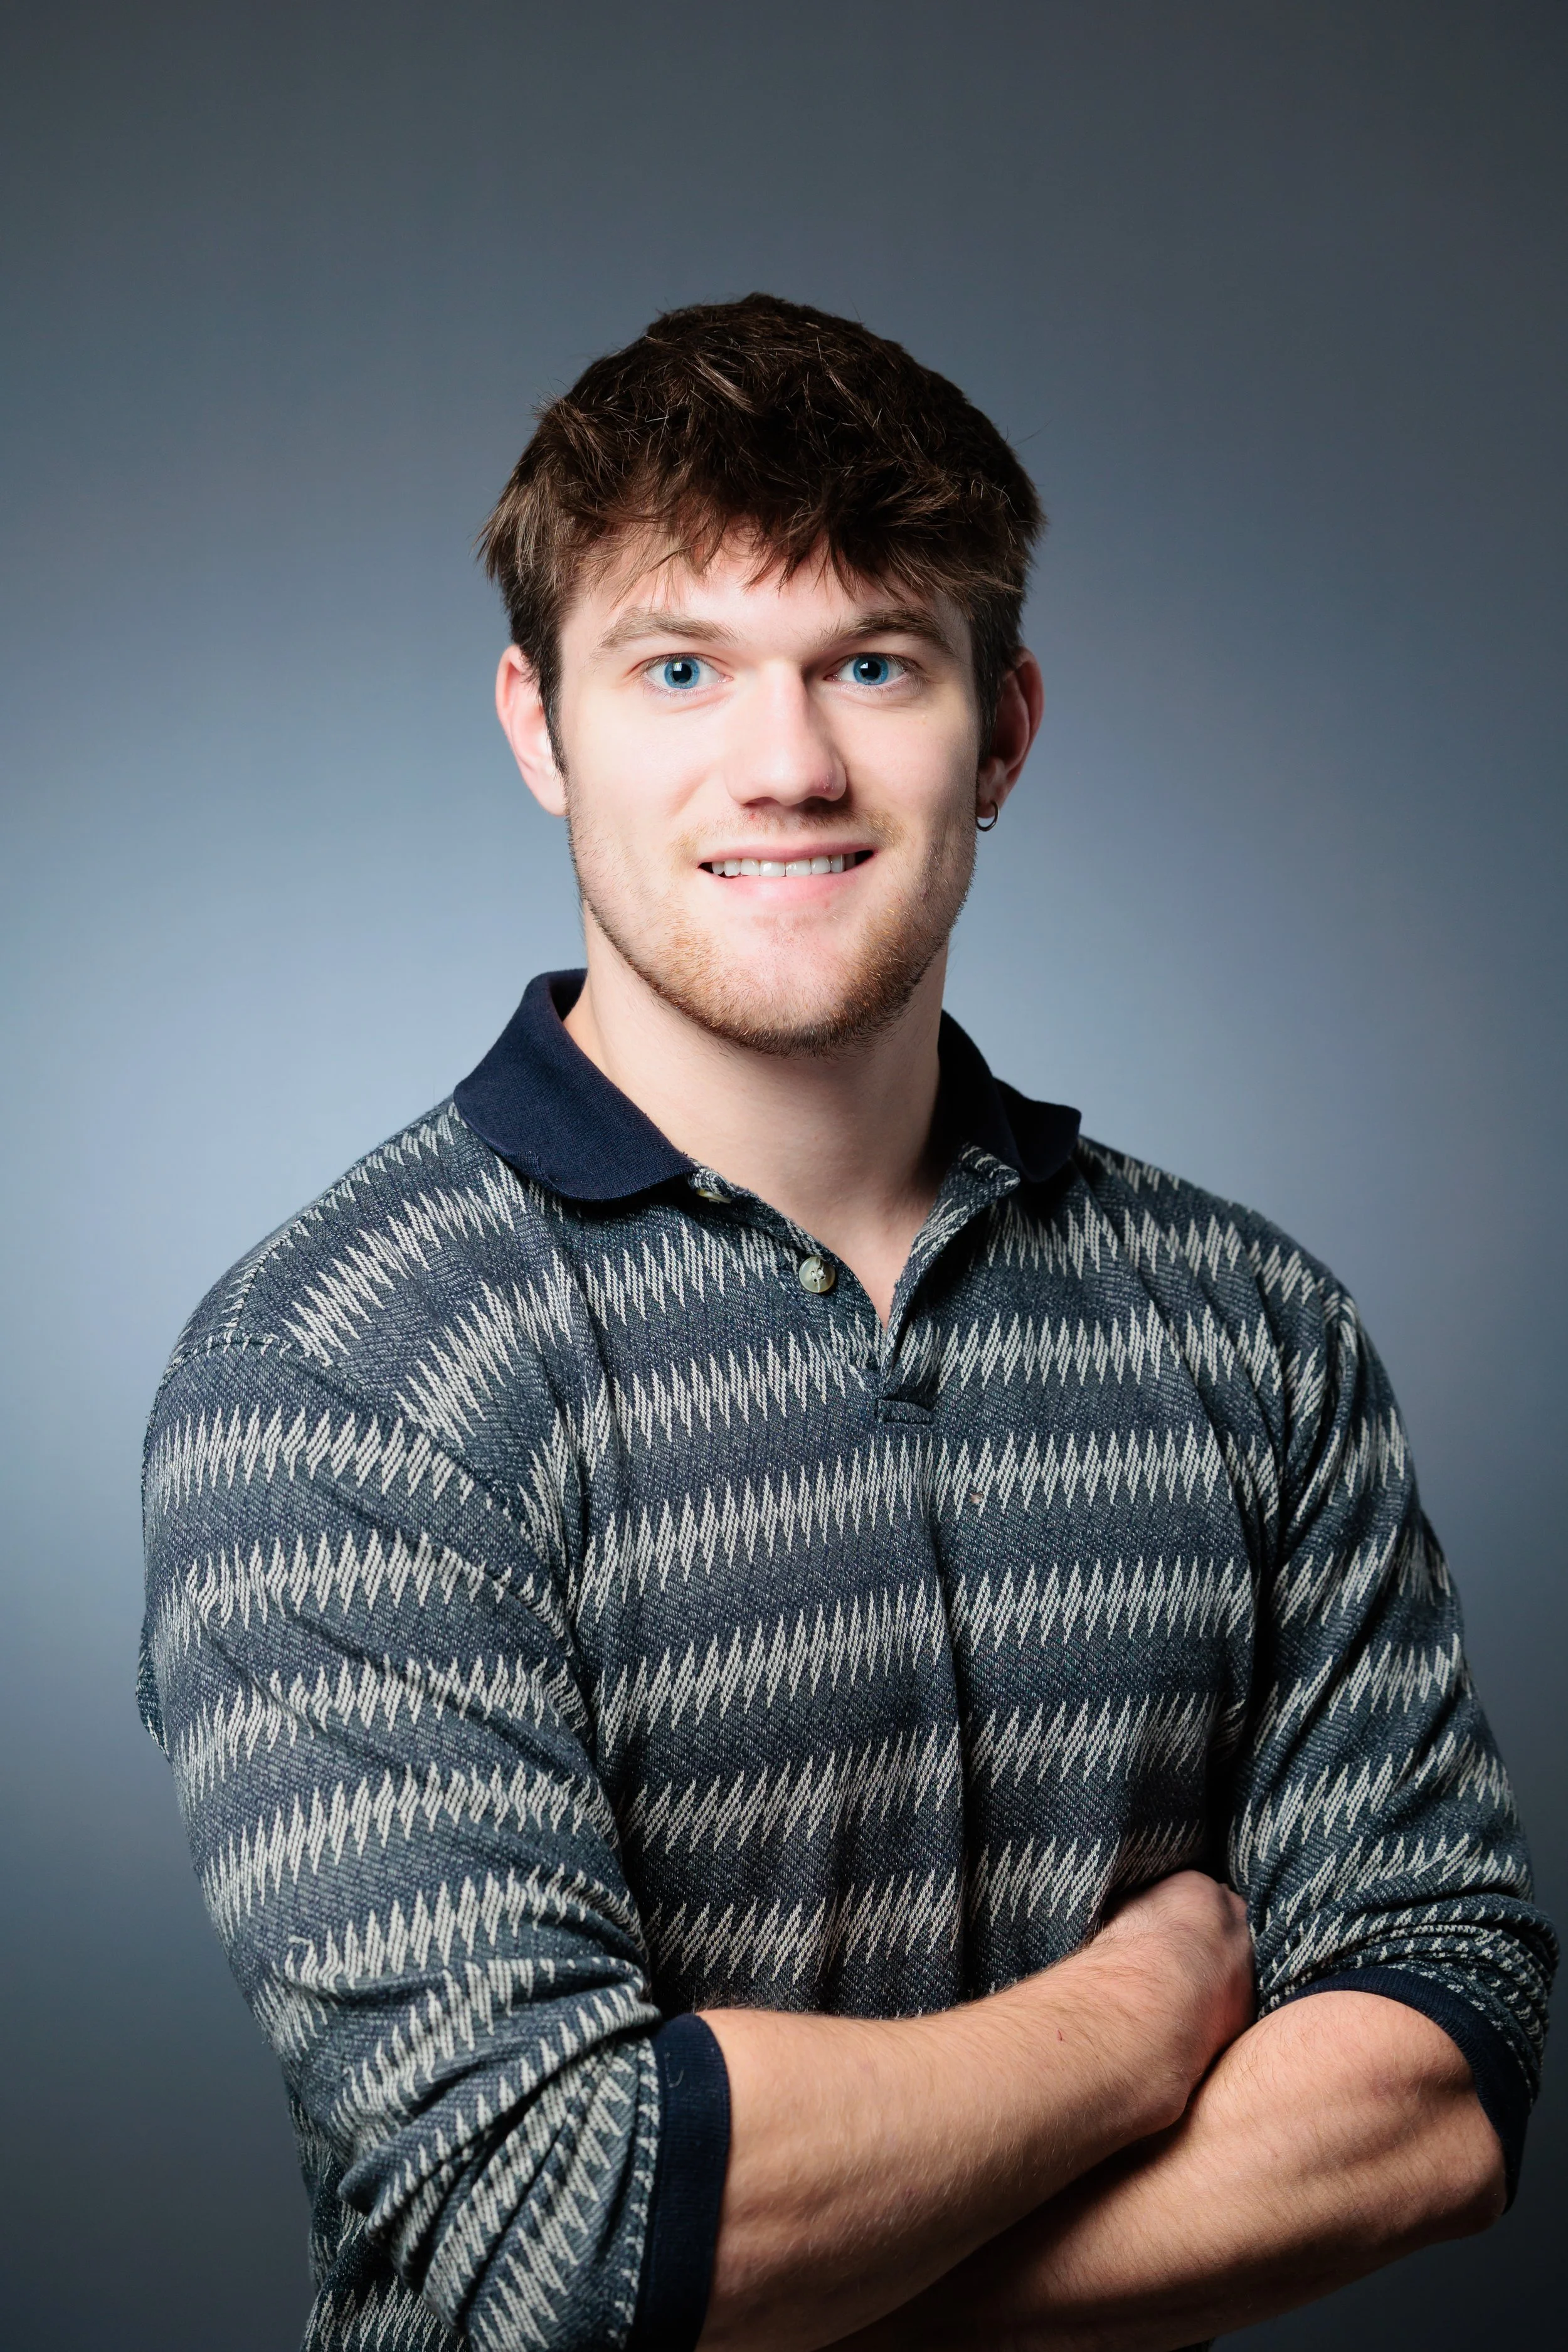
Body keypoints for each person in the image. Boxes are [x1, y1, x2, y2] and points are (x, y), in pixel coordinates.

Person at [139, 294, 1554, 2352]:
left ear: (1003, 728)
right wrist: (1136, 2011)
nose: (787, 764)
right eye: (681, 667)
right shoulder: (339, 1371)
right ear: (539, 726)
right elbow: (554, 2225)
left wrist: (786, 2295)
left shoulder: (1250, 1329)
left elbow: (1440, 2066)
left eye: (872, 664)